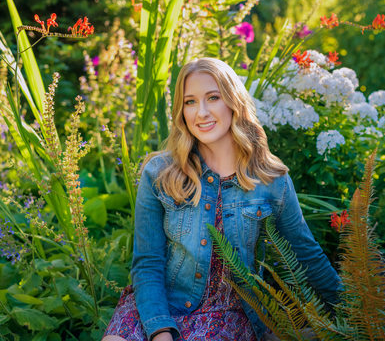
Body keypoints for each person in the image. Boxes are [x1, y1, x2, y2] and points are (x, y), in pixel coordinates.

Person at [102, 57, 342, 341]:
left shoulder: (271, 180)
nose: (201, 112)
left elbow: (306, 256)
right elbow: (148, 263)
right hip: (158, 308)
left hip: (228, 315)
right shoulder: (159, 174)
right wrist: (160, 332)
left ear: (233, 101)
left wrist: (356, 315)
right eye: (190, 102)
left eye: (212, 98)